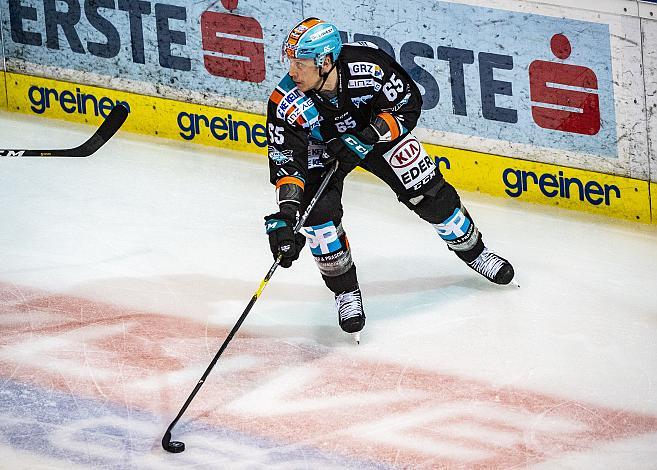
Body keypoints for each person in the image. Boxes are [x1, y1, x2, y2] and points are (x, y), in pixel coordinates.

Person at [264, 17, 515, 337]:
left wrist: (366, 137)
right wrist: (288, 214)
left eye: (300, 64)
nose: (292, 72)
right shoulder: (286, 102)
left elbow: (408, 105)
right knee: (318, 217)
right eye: (291, 63)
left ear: (325, 61)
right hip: (323, 145)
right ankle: (345, 292)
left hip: (378, 134)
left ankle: (477, 253)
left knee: (428, 193)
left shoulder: (368, 67)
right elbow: (288, 164)